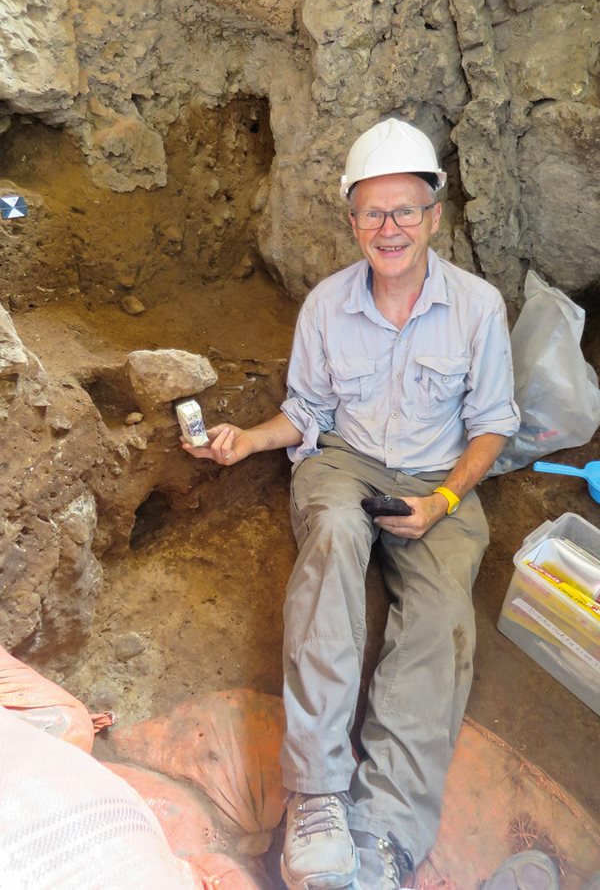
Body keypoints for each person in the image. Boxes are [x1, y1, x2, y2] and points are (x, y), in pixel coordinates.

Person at [182, 118, 520, 890]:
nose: (389, 228)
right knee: (333, 538)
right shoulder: (327, 306)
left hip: (441, 475)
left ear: (435, 216)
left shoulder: (476, 307)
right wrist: (247, 441)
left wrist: (439, 501)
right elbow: (306, 411)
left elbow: (494, 422)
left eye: (405, 210)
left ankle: (386, 831)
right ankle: (318, 795)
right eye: (372, 212)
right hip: (348, 463)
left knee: (441, 622)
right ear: (352, 220)